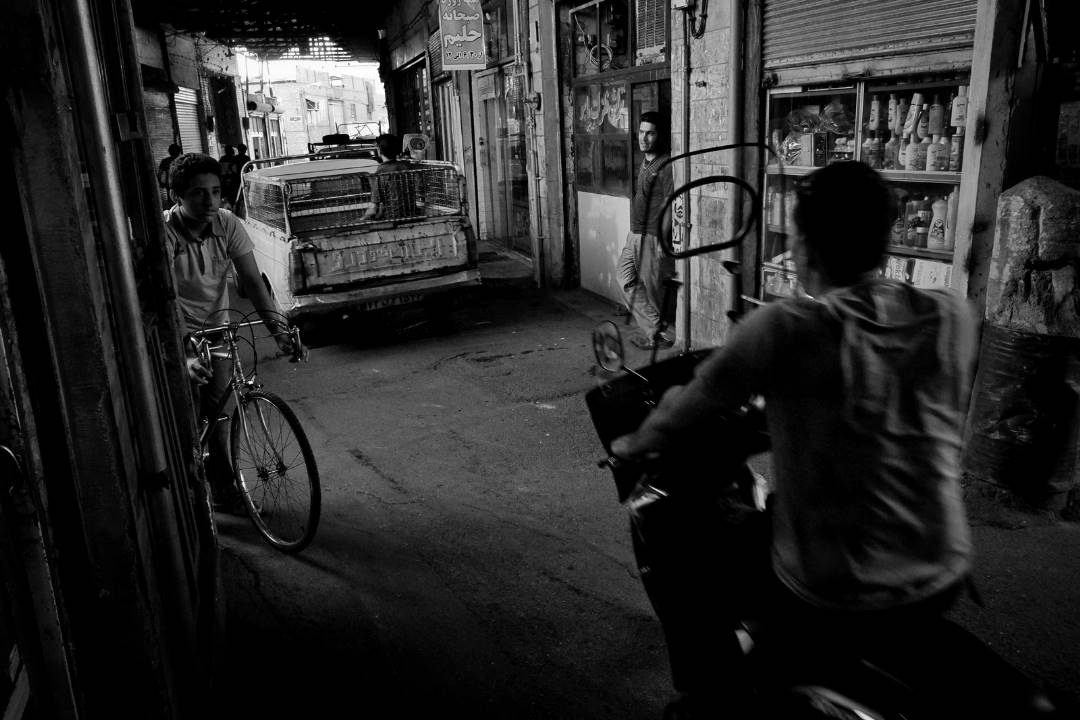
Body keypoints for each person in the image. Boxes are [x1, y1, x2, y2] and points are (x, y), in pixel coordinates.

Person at [610, 161, 978, 716]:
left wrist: (632, 445)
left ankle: (717, 695)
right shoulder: (951, 315)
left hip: (832, 587)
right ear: (884, 238)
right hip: (942, 567)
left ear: (804, 244)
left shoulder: (786, 329)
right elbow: (877, 402)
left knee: (702, 576)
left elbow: (684, 411)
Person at [164, 152, 297, 512]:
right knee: (184, 421)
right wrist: (185, 353)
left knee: (220, 416)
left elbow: (252, 280)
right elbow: (164, 299)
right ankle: (187, 495)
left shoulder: (227, 223)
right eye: (197, 193)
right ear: (177, 196)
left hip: (217, 331)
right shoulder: (165, 232)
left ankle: (224, 491)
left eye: (214, 191)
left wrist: (279, 329)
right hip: (174, 336)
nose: (210, 200)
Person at [618, 111, 676, 350]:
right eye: (641, 132)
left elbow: (669, 203)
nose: (644, 138)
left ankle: (658, 336)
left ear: (659, 135)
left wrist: (662, 238)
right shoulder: (645, 162)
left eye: (650, 133)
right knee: (624, 278)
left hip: (651, 236)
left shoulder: (666, 165)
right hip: (635, 233)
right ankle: (657, 329)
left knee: (653, 291)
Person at [362, 133, 414, 221]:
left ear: (379, 150)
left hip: (392, 219)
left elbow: (373, 209)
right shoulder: (406, 166)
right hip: (412, 215)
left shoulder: (380, 173)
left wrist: (361, 220)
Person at [157, 143, 182, 208]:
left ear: (169, 152)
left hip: (170, 184)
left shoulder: (165, 161)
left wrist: (161, 183)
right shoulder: (183, 160)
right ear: (179, 151)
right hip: (181, 183)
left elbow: (159, 174)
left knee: (171, 201)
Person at [218, 145, 239, 209]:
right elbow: (235, 171)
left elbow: (220, 170)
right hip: (232, 180)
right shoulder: (234, 159)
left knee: (226, 196)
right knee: (233, 196)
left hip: (224, 180)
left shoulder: (222, 159)